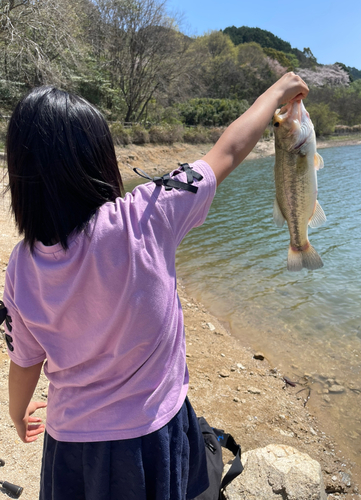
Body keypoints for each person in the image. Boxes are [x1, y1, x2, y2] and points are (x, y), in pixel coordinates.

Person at [1, 72, 308, 500]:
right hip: (152, 437)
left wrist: (17, 413)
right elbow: (229, 149)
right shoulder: (146, 215)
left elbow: (25, 357)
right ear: (98, 159)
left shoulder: (21, 264)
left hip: (68, 445)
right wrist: (277, 91)